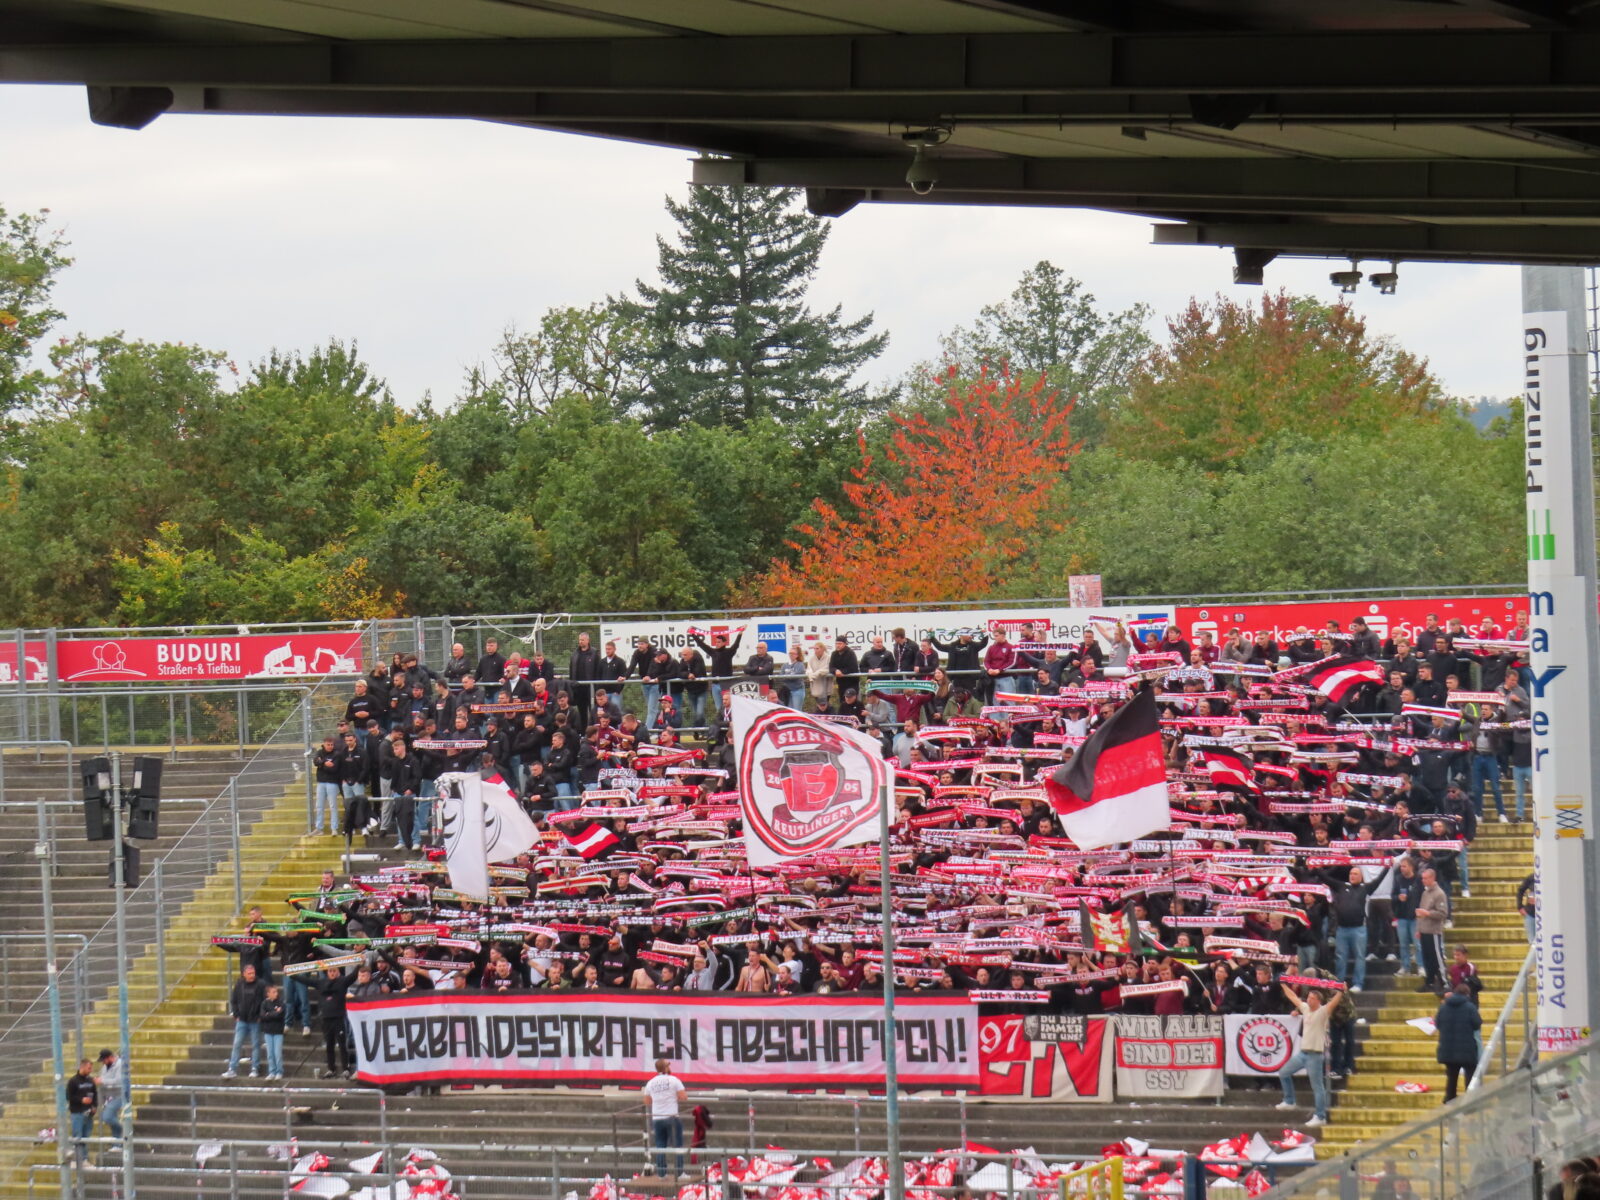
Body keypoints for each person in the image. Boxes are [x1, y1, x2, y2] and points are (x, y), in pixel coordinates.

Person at [1275, 983, 1333, 1127]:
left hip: (1315, 1055)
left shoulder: (1323, 1012)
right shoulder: (1306, 1008)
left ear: (1319, 1001)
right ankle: (1290, 1101)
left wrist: (1340, 992)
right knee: (1284, 1072)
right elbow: (1293, 997)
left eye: (1312, 998)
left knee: (1317, 1087)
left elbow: (1333, 1003)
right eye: (1308, 997)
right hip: (1303, 1053)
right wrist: (1283, 984)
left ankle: (1320, 1116)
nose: (1309, 1000)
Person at [1435, 983, 1482, 1101]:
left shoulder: (1443, 1007)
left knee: (1451, 1076)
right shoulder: (1470, 1007)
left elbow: (1438, 1024)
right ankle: (1470, 1100)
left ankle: (1450, 1099)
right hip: (1467, 1049)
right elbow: (1477, 1024)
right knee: (1469, 1075)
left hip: (1448, 1049)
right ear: (1467, 994)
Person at [644, 1058, 688, 1178]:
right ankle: (679, 1173)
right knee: (677, 1145)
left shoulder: (650, 1083)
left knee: (660, 1146)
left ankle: (662, 1174)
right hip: (672, 1116)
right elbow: (683, 1096)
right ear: (665, 1067)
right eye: (668, 1065)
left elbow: (647, 1101)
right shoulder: (674, 1080)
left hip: (657, 1118)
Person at [222, 963, 265, 1079]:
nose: (252, 975)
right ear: (244, 974)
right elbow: (234, 1000)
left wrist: (260, 1015)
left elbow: (264, 1001)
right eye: (249, 973)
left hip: (255, 1020)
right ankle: (232, 1068)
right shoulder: (239, 984)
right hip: (242, 1020)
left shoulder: (260, 984)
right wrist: (236, 1014)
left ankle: (255, 1068)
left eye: (253, 973)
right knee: (237, 1044)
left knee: (256, 1044)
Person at [1416, 867, 1451, 993]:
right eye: (1422, 878)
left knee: (1437, 957)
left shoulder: (1439, 894)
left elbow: (1443, 913)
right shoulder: (1425, 893)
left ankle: (1445, 981)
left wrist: (1428, 913)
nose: (1423, 881)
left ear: (1432, 878)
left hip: (1434, 931)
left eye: (1425, 878)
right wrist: (1419, 928)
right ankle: (1429, 981)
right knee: (1427, 958)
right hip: (1424, 930)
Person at [65, 1058, 97, 1164]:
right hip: (77, 1112)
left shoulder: (90, 1081)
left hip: (88, 1113)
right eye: (89, 1068)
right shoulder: (73, 1081)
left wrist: (94, 1106)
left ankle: (84, 1159)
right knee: (77, 1136)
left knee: (86, 1136)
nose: (90, 1070)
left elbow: (94, 1094)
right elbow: (69, 1096)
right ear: (82, 1067)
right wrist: (81, 1100)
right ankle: (75, 1159)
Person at [96, 1048, 124, 1142]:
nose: (103, 1063)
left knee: (107, 1117)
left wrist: (102, 1081)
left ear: (109, 1058)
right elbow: (103, 1078)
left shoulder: (120, 1064)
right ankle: (117, 1144)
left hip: (119, 1095)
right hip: (109, 1096)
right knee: (112, 1119)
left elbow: (118, 1081)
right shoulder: (105, 1067)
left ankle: (125, 1129)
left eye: (104, 1060)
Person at [260, 983, 287, 1081]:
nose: (276, 994)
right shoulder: (264, 1003)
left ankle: (279, 1071)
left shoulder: (281, 1003)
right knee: (270, 1053)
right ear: (268, 994)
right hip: (268, 1031)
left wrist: (269, 1014)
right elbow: (263, 1016)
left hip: (278, 1031)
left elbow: (280, 1015)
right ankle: (272, 1071)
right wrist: (274, 1013)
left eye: (276, 992)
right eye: (273, 992)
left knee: (277, 1053)